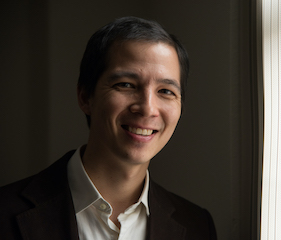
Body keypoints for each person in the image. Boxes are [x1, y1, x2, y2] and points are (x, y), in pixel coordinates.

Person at [0, 16, 217, 240]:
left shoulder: (197, 226)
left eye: (166, 91)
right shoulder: (5, 213)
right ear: (85, 97)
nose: (147, 109)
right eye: (126, 85)